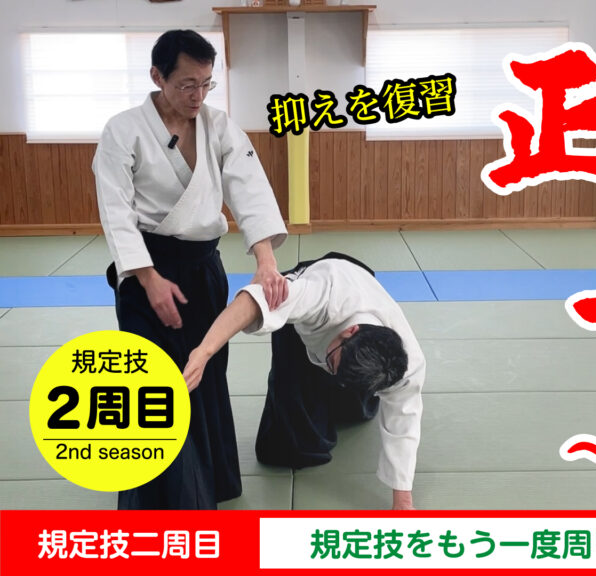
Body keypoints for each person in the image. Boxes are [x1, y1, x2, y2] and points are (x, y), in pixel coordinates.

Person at [93, 29, 289, 509]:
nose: (198, 95)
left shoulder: (218, 126)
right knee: (153, 381)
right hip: (146, 272)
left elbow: (249, 189)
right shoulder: (123, 130)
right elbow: (115, 210)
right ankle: (158, 498)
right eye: (186, 84)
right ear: (156, 76)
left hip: (203, 269)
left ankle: (211, 482)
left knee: (207, 371)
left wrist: (266, 261)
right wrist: (147, 278)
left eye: (206, 83)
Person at [182, 253, 425, 510]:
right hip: (309, 308)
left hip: (357, 302)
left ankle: (346, 386)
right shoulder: (319, 297)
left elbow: (404, 421)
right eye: (332, 364)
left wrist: (403, 501)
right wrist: (205, 351)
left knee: (355, 410)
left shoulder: (406, 362)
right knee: (286, 448)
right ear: (349, 331)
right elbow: (252, 301)